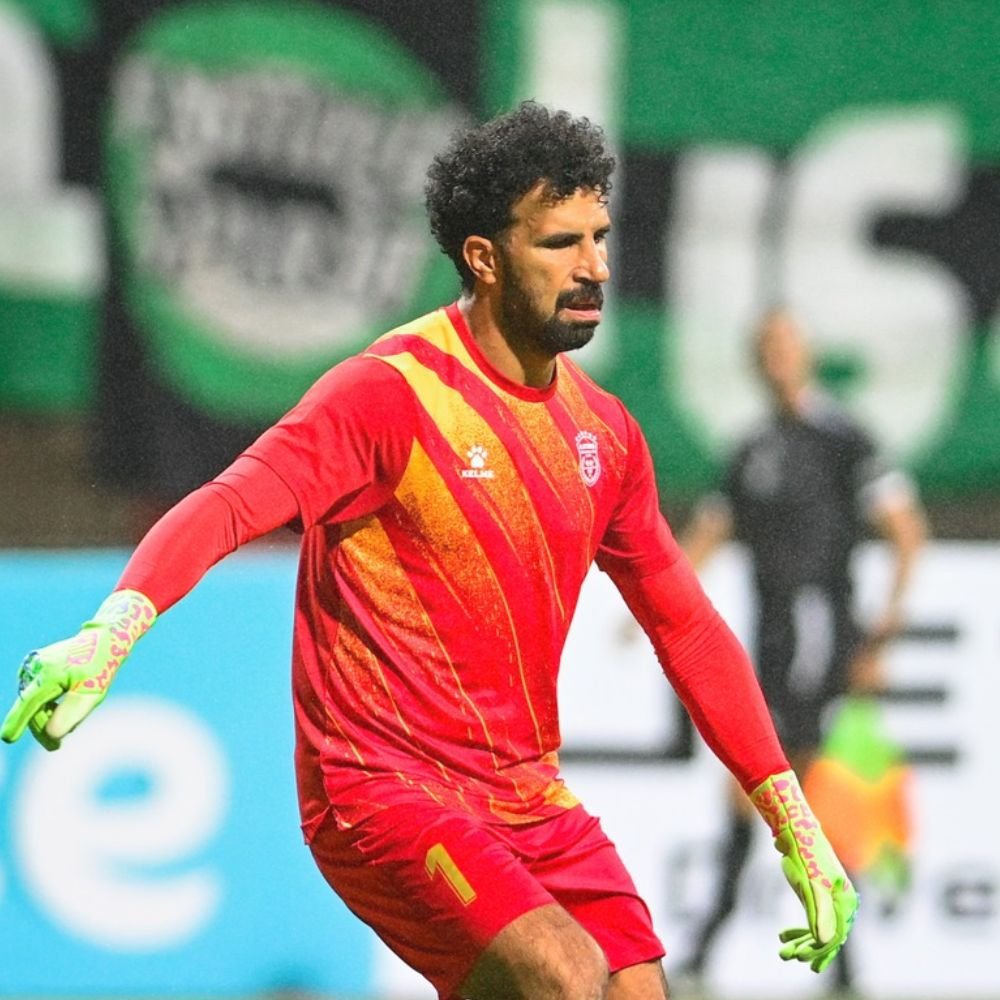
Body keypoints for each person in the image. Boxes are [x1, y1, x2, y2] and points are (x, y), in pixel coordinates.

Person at [1, 103, 857, 1000]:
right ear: (484, 259)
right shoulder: (388, 395)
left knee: (636, 990)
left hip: (527, 797)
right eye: (560, 244)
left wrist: (789, 814)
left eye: (600, 238)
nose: (595, 268)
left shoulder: (605, 434)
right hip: (380, 789)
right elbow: (227, 505)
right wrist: (113, 629)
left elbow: (684, 623)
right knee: (562, 978)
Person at [676, 309, 926, 996]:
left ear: (808, 354)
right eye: (767, 348)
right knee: (764, 793)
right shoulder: (752, 449)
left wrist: (882, 633)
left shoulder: (842, 440)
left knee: (791, 792)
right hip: (767, 646)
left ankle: (718, 953)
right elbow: (707, 534)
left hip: (819, 642)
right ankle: (814, 962)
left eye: (787, 344)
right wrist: (649, 606)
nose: (778, 358)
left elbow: (907, 529)